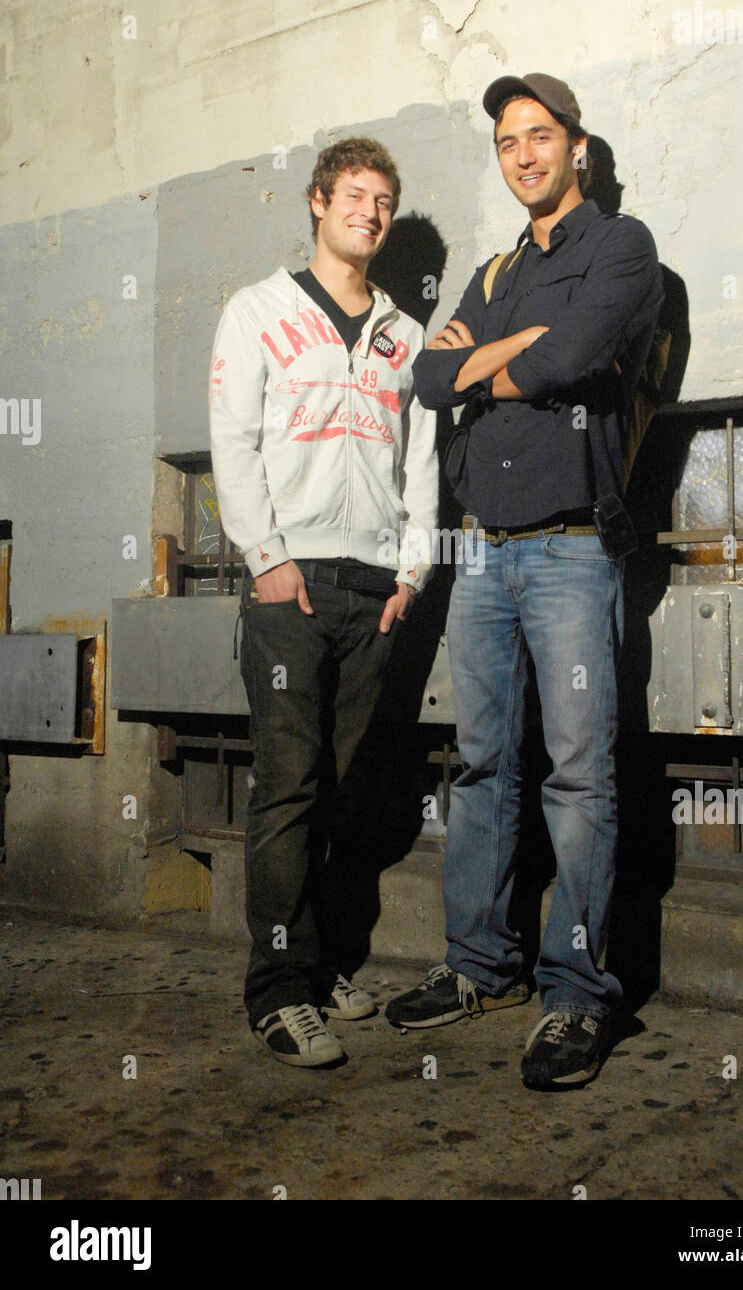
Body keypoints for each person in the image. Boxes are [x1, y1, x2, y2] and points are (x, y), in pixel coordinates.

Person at [385, 74, 664, 1087]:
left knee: (578, 774)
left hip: (567, 550)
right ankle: (477, 964)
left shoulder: (621, 250)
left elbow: (579, 354)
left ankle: (576, 995)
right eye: (507, 142)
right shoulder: (497, 267)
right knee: (481, 766)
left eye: (538, 136)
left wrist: (483, 363)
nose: (523, 155)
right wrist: (504, 355)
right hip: (481, 553)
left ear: (575, 148)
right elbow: (424, 378)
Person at [208, 137, 438, 1067]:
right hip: (290, 587)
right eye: (354, 195)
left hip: (374, 591)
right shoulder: (256, 312)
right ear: (316, 201)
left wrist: (414, 574)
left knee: (345, 793)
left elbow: (418, 467)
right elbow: (232, 442)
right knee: (289, 788)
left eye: (383, 200)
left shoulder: (402, 337)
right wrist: (266, 560)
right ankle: (276, 990)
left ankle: (320, 962)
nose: (370, 213)